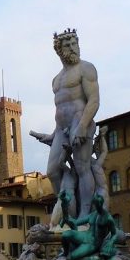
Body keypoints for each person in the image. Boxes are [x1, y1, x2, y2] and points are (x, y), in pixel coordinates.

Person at [30, 29, 100, 221]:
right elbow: (61, 109)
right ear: (59, 50)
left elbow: (93, 100)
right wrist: (53, 135)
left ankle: (85, 214)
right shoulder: (56, 79)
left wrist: (83, 126)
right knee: (53, 171)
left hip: (80, 121)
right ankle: (68, 213)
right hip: (61, 129)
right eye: (67, 45)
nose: (73, 48)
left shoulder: (86, 68)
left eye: (74, 43)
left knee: (82, 167)